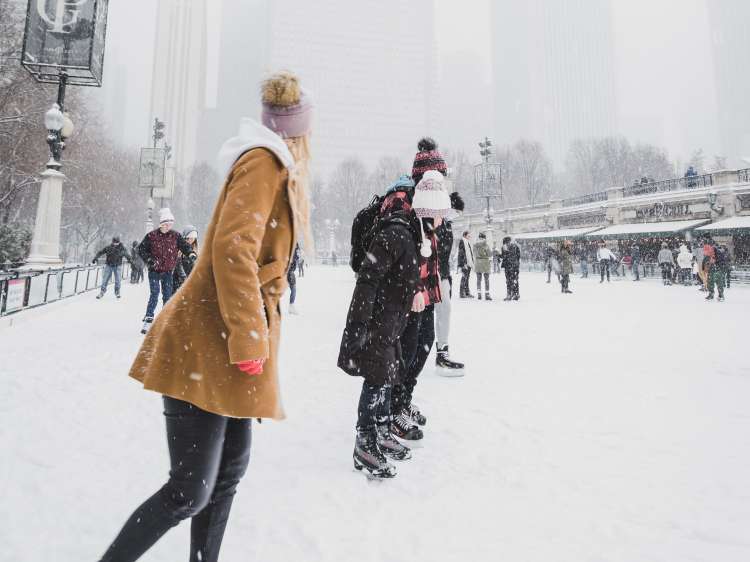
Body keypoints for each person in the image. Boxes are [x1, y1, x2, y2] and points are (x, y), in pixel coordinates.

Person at [98, 71, 314, 561]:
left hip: (222, 344)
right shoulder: (265, 162)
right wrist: (249, 338)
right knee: (188, 491)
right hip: (207, 340)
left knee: (225, 480)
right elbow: (233, 249)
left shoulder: (274, 164)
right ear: (296, 130)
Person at [338, 182, 420, 479]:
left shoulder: (405, 233)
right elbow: (368, 280)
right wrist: (359, 324)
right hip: (380, 320)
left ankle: (383, 429)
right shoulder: (395, 233)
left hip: (391, 319)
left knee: (387, 375)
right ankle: (365, 441)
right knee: (376, 378)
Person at [391, 139, 452, 443]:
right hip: (408, 291)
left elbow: (433, 243)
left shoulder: (431, 198)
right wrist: (413, 286)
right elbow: (400, 248)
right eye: (437, 175)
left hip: (426, 287)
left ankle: (404, 398)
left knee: (424, 343)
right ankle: (393, 408)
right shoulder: (403, 200)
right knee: (407, 348)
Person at [138, 208, 196, 324]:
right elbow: (141, 249)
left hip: (168, 271)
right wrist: (149, 260)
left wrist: (190, 253)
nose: (168, 227)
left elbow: (184, 246)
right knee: (154, 293)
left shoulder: (175, 236)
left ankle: (165, 315)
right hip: (154, 270)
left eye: (170, 224)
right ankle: (149, 315)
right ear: (161, 224)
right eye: (166, 224)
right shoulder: (152, 236)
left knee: (167, 295)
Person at [434, 191, 466, 376]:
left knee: (445, 309)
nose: (457, 215)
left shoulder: (447, 225)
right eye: (456, 211)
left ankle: (442, 350)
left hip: (442, 273)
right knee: (440, 310)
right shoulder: (436, 223)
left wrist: (447, 277)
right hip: (433, 273)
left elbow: (444, 255)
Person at [173, 226, 198, 292]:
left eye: (193, 238)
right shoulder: (181, 248)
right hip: (178, 279)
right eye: (189, 238)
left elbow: (195, 265)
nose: (191, 240)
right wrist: (184, 278)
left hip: (189, 279)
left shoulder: (194, 249)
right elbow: (178, 264)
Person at [500, 236, 521, 300]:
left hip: (508, 266)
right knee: (515, 280)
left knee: (509, 281)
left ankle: (509, 294)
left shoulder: (504, 247)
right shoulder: (516, 246)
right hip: (515, 266)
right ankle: (516, 294)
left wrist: (499, 255)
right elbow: (518, 256)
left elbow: (504, 256)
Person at [473, 232, 492, 300]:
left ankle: (479, 294)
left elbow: (474, 254)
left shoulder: (475, 245)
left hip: (478, 262)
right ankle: (487, 294)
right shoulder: (485, 245)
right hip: (485, 263)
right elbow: (490, 254)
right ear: (484, 238)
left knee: (478, 279)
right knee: (486, 279)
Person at [457, 230, 474, 298]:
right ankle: (462, 293)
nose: (469, 236)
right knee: (464, 278)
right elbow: (461, 253)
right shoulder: (462, 241)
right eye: (468, 235)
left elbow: (469, 253)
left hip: (468, 263)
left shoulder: (467, 242)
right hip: (465, 263)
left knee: (467, 278)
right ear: (465, 235)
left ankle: (467, 292)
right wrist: (463, 263)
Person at [288, 244, 301, 315]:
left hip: (290, 270)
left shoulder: (295, 245)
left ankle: (291, 306)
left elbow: (297, 256)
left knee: (293, 289)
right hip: (288, 270)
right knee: (293, 289)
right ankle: (291, 306)